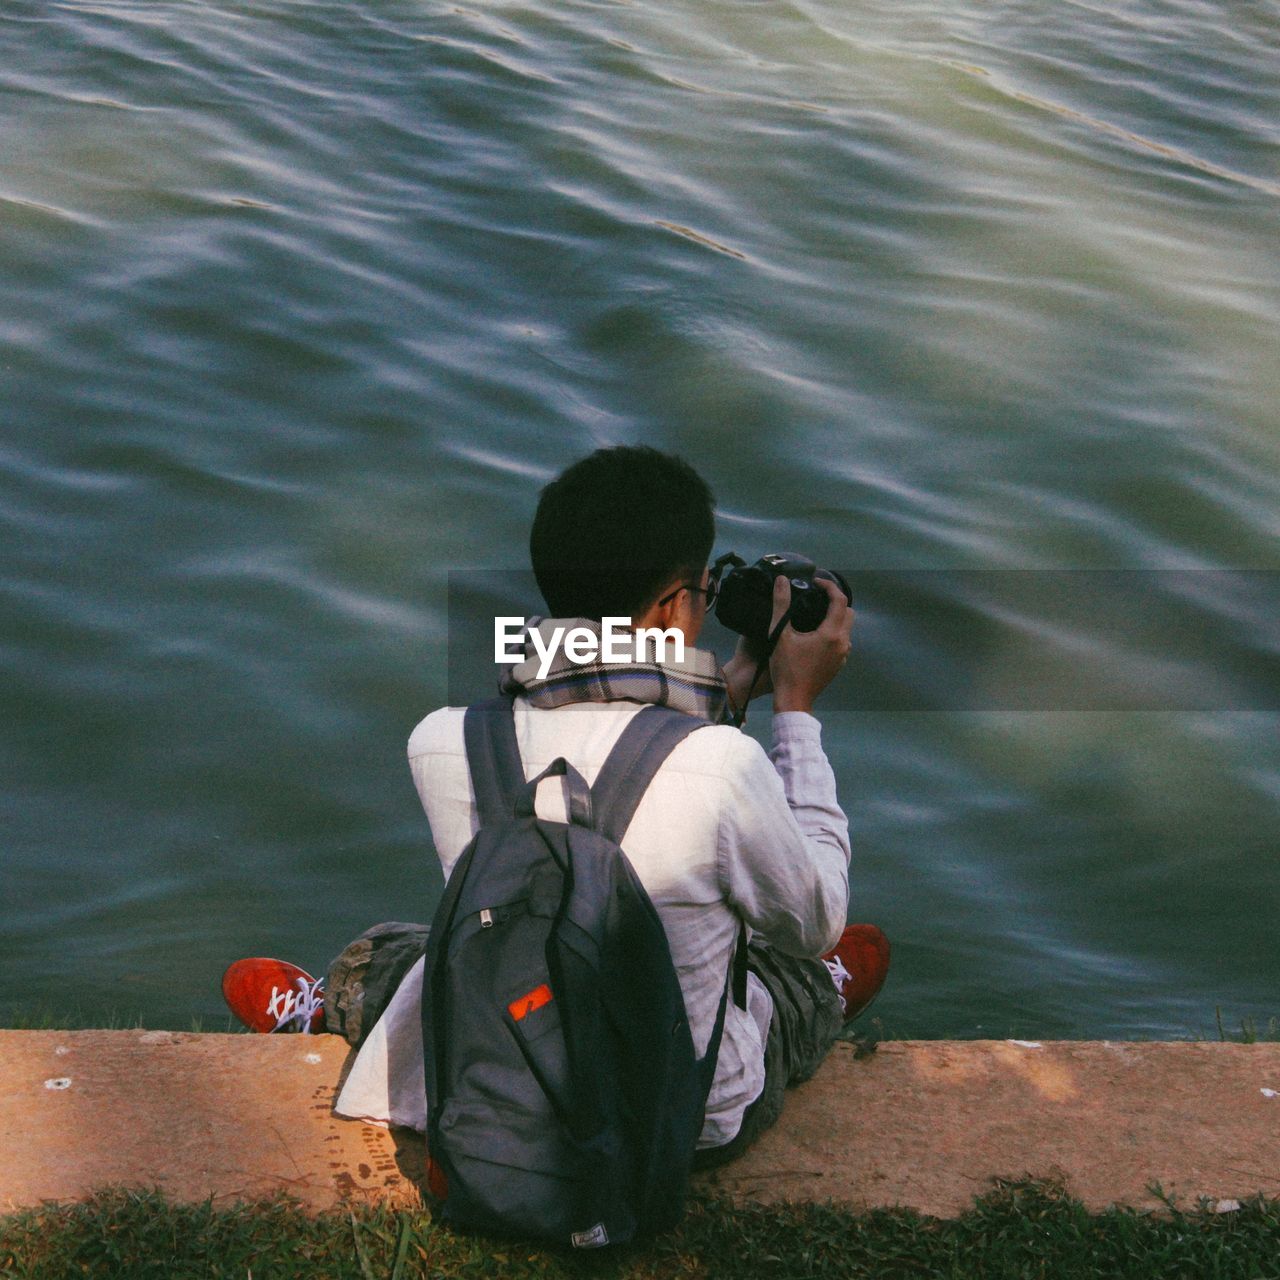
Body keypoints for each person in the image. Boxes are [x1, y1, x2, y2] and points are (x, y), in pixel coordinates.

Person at [223, 445, 889, 1170]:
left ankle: (323, 1009)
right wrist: (795, 708)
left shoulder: (445, 741)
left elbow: (601, 742)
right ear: (672, 606)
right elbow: (816, 920)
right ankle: (819, 1000)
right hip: (679, 1117)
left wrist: (726, 691)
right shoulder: (728, 769)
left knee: (399, 951)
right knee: (784, 968)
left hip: (500, 1078)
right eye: (704, 591)